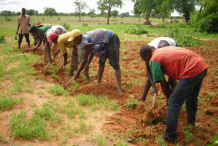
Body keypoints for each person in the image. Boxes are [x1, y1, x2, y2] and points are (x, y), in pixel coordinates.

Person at [140, 45, 207, 143]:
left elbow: (163, 84)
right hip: (201, 66)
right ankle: (191, 123)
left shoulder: (154, 59)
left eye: (145, 60)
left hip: (192, 70)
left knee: (174, 102)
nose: (147, 62)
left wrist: (168, 98)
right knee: (191, 96)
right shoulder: (162, 51)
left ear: (148, 55)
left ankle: (169, 136)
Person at [71, 28, 123, 96]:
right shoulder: (84, 39)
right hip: (103, 41)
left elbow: (84, 60)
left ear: (78, 37)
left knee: (115, 64)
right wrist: (88, 64)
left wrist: (78, 73)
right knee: (101, 62)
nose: (73, 41)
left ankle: (119, 87)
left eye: (74, 39)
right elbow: (91, 53)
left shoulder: (85, 41)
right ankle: (99, 83)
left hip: (111, 38)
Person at [140, 37, 177, 102]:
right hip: (160, 54)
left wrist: (168, 84)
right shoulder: (147, 51)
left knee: (172, 80)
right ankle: (143, 97)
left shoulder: (163, 48)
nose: (148, 62)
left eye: (147, 60)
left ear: (149, 55)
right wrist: (154, 87)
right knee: (152, 76)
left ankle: (171, 99)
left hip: (172, 54)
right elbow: (148, 70)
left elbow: (172, 67)